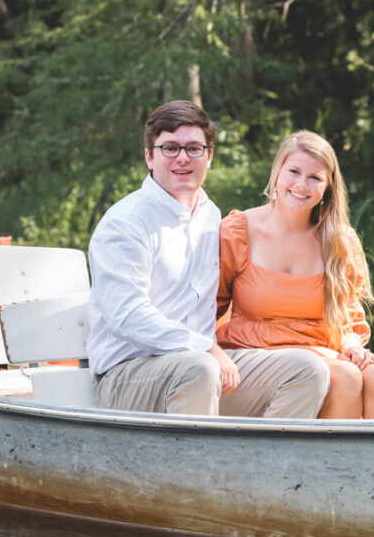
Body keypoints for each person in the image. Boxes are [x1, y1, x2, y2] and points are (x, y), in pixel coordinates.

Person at [87, 101, 330, 419]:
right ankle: (194, 470)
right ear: (149, 156)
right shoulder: (126, 222)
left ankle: (257, 467)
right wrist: (205, 347)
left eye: (194, 148)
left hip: (201, 370)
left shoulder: (209, 215)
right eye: (170, 148)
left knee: (308, 369)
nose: (183, 158)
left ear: (209, 156)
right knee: (199, 368)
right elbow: (127, 316)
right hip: (127, 377)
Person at [217, 130, 374, 420]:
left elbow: (349, 319)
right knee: (345, 377)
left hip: (324, 352)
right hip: (254, 356)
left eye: (315, 178)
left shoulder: (339, 241)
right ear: (277, 172)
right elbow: (207, 308)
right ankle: (334, 465)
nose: (301, 185)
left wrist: (354, 347)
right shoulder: (237, 231)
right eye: (294, 171)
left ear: (328, 186)